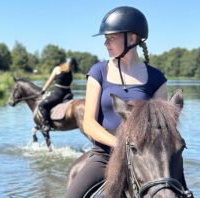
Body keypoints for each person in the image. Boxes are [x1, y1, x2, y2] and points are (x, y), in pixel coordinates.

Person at [64, 6, 170, 198]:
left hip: (144, 159)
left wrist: (140, 152)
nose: (105, 43)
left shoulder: (157, 79)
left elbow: (160, 130)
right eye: (106, 38)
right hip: (104, 155)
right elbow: (88, 123)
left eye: (111, 37)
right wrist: (120, 145)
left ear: (131, 38)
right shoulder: (98, 71)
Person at [38, 58, 78, 133]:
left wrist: (43, 90)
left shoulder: (57, 69)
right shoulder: (70, 72)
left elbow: (49, 81)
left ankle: (47, 125)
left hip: (58, 94)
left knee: (42, 105)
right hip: (68, 94)